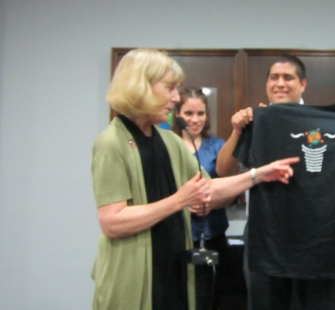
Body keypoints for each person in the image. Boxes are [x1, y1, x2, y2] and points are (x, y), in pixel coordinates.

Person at [90, 48, 299, 310]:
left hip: (173, 267)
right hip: (133, 274)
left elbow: (207, 186)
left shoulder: (168, 141)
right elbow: (113, 222)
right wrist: (178, 200)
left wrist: (259, 174)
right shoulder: (111, 144)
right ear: (140, 87)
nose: (175, 98)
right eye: (170, 88)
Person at [217, 55, 335, 310]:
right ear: (266, 84)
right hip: (264, 234)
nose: (280, 83)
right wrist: (237, 131)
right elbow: (223, 170)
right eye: (274, 77)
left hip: (317, 236)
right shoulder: (255, 122)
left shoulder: (323, 124)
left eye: (288, 77)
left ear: (303, 84)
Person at [171, 87, 229, 310]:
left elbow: (232, 190)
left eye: (201, 114)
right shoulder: (167, 144)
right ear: (178, 114)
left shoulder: (217, 146)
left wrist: (211, 203)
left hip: (212, 237)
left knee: (210, 299)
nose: (195, 120)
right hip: (177, 236)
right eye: (188, 114)